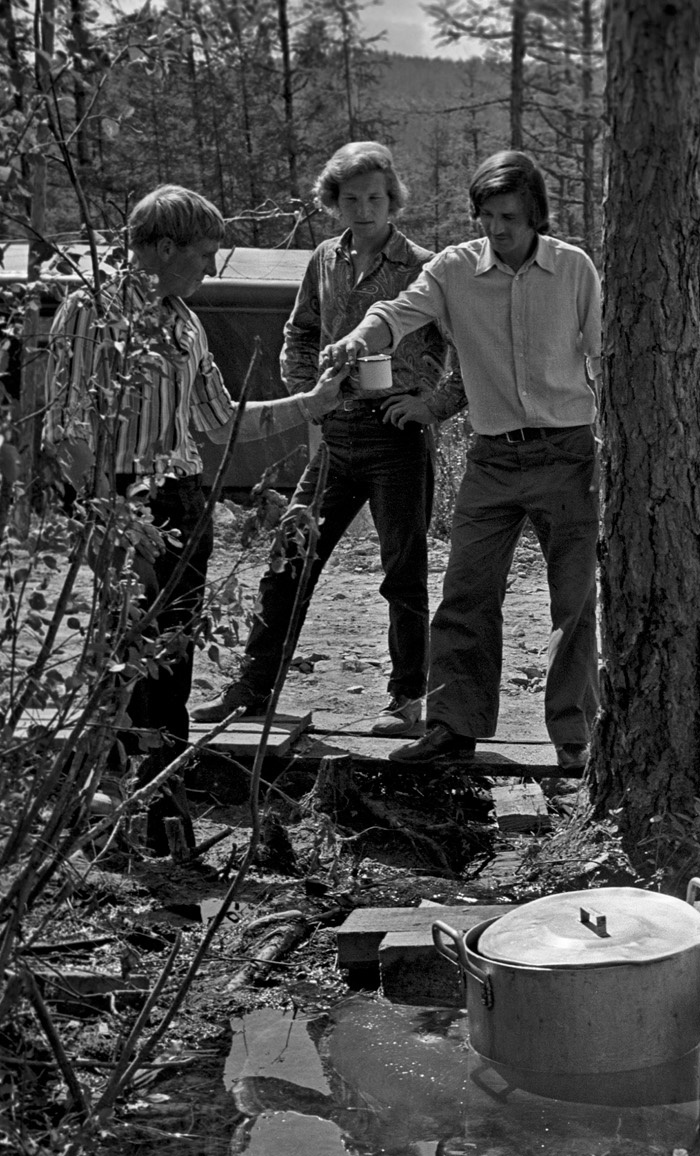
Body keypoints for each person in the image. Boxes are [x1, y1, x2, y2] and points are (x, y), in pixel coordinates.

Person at [43, 185, 343, 848]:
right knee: (127, 661)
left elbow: (220, 421)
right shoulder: (92, 308)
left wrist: (313, 403)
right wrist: (103, 517)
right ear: (163, 247)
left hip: (183, 499)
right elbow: (67, 424)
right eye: (204, 254)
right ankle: (109, 814)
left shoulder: (185, 321)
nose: (210, 269)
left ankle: (161, 808)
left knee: (172, 661)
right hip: (123, 497)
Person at [321, 150, 600, 771]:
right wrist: (356, 340)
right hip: (492, 457)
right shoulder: (452, 271)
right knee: (465, 594)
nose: (497, 230)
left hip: (568, 451)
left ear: (535, 217)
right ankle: (453, 727)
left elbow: (605, 355)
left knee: (573, 600)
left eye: (509, 217)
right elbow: (396, 312)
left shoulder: (574, 269)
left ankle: (575, 738)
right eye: (486, 216)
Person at [196, 143, 463, 738]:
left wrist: (431, 407)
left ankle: (406, 700)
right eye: (351, 199)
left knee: (403, 570)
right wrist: (310, 399)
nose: (364, 209)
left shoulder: (426, 266)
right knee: (291, 553)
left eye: (375, 197)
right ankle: (251, 690)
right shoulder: (324, 257)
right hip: (336, 436)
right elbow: (300, 331)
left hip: (398, 437)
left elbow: (469, 354)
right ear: (333, 202)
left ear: (393, 199)